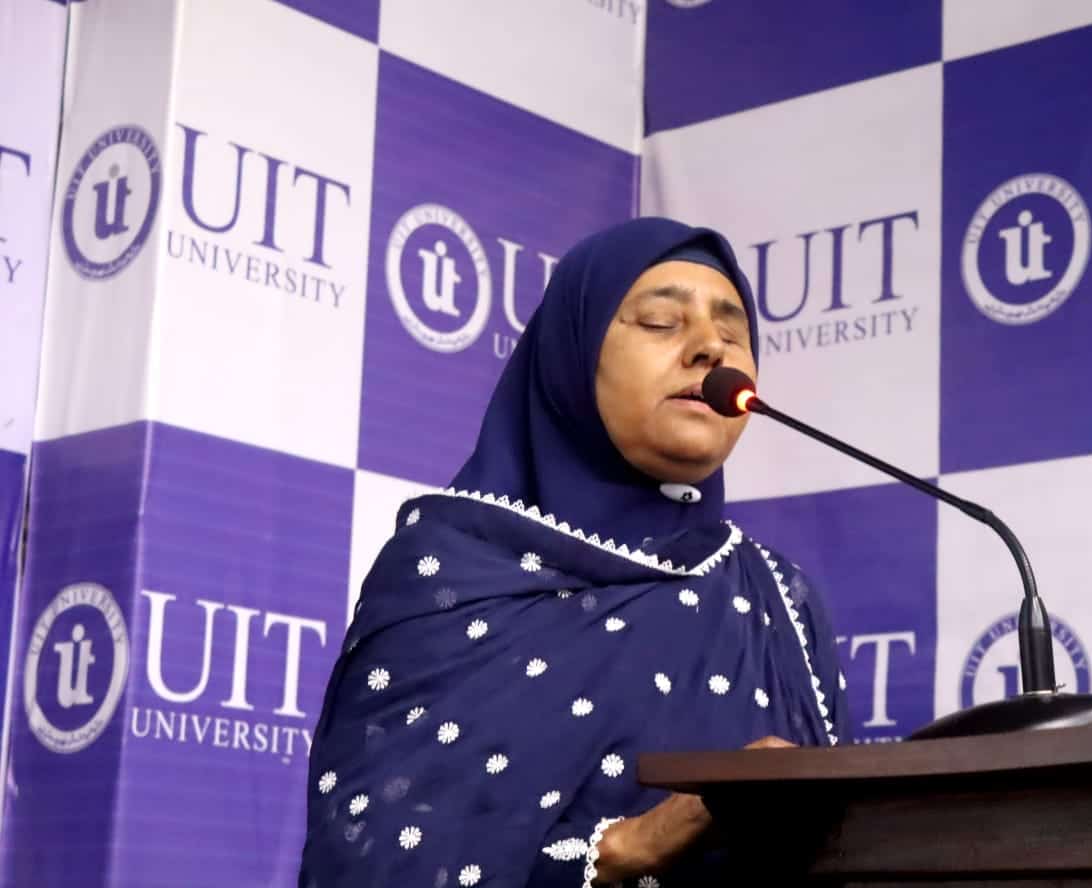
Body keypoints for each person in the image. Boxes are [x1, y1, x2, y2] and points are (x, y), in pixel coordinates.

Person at [300, 217, 848, 887]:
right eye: (661, 322)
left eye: (734, 336)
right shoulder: (447, 574)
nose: (711, 348)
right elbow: (363, 858)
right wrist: (623, 849)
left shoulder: (778, 597)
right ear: (573, 355)